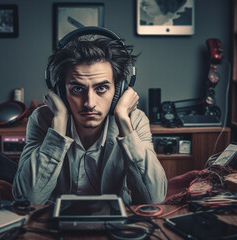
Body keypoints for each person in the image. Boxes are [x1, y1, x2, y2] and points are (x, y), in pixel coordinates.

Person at [12, 28, 167, 205]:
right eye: (77, 89)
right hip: (54, 223)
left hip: (114, 224)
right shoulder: (43, 119)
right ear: (61, 93)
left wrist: (123, 119)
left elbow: (154, 198)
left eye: (101, 88)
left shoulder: (135, 120)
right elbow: (27, 198)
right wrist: (60, 122)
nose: (89, 103)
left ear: (119, 91)